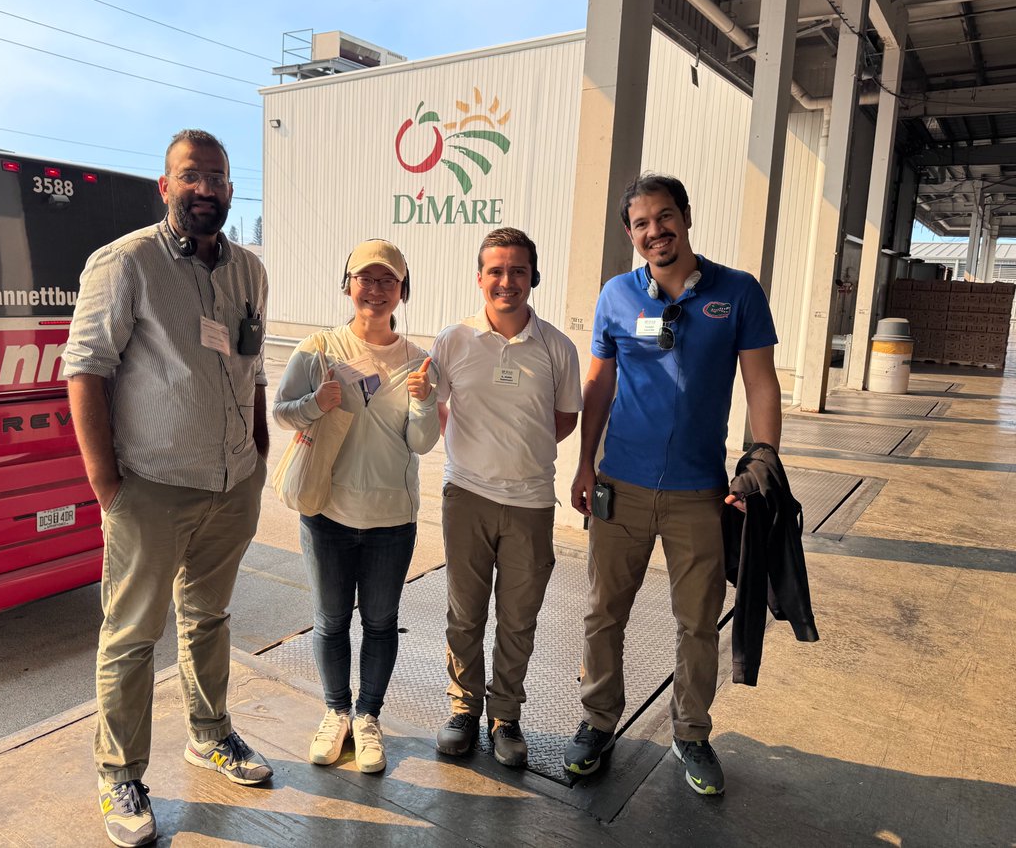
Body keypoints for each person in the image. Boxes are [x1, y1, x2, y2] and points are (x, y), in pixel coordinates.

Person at [64, 129, 272, 847]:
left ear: (230, 188)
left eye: (217, 176)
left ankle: (209, 734)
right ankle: (118, 773)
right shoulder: (126, 264)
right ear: (165, 186)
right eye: (192, 176)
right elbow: (85, 369)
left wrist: (261, 450)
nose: (206, 188)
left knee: (208, 619)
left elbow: (252, 367)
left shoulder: (249, 269)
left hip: (232, 481)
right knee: (130, 636)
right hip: (150, 486)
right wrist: (107, 485)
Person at [564, 174, 782, 796]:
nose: (654, 231)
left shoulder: (736, 293)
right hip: (621, 486)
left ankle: (691, 733)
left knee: (696, 621)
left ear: (686, 218)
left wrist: (759, 463)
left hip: (698, 493)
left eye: (664, 218)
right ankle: (599, 723)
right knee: (604, 613)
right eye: (640, 224)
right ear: (629, 234)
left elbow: (761, 382)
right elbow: (599, 384)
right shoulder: (616, 295)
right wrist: (584, 463)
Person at [273, 239, 439, 775]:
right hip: (326, 513)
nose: (375, 289)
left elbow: (421, 442)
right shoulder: (318, 348)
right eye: (365, 278)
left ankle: (368, 718)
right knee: (329, 622)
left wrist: (425, 401)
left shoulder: (417, 360)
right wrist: (314, 404)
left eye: (387, 279)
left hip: (392, 519)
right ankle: (336, 712)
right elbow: (282, 414)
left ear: (403, 291)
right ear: (347, 285)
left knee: (381, 622)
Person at [431, 227, 581, 767]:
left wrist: (521, 449)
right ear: (479, 278)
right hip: (466, 495)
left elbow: (562, 420)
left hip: (532, 503)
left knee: (519, 618)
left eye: (518, 270)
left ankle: (506, 716)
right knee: (464, 613)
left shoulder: (556, 347)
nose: (506, 281)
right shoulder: (453, 340)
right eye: (495, 270)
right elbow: (436, 406)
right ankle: (463, 709)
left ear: (533, 278)